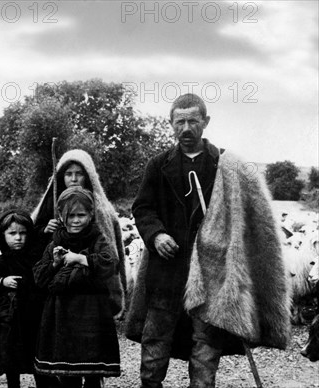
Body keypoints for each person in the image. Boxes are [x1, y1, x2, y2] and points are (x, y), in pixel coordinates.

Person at [126, 93, 291, 388]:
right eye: (180, 122)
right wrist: (156, 234)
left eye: (193, 120)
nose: (186, 128)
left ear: (206, 122)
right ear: (171, 124)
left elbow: (248, 216)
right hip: (167, 271)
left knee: (206, 350)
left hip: (212, 273)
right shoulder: (158, 165)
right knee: (154, 347)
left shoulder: (225, 166)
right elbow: (142, 208)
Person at [33, 186, 122, 388]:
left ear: (91, 214)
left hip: (91, 309)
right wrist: (55, 263)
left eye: (81, 215)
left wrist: (81, 258)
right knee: (68, 368)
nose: (75, 220)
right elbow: (39, 278)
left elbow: (111, 264)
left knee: (91, 366)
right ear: (62, 216)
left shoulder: (98, 238)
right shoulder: (55, 242)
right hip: (61, 311)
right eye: (70, 215)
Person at [31, 149, 126, 314]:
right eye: (68, 174)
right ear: (61, 176)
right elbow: (33, 238)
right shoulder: (51, 201)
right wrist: (45, 230)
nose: (74, 179)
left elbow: (109, 250)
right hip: (56, 282)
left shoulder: (100, 206)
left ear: (88, 175)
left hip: (89, 283)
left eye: (79, 173)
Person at [0, 210, 59, 388]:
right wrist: (1, 282)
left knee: (36, 356)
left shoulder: (36, 258)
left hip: (33, 317)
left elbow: (43, 280)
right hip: (9, 319)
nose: (18, 238)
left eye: (23, 233)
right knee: (11, 360)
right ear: (2, 235)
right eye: (12, 233)